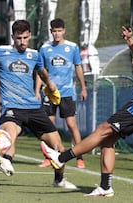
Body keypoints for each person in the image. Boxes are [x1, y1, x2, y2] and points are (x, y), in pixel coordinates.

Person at [40, 12, 133, 196]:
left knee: (101, 130)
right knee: (107, 140)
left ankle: (61, 158)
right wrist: (130, 42)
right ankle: (105, 187)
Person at [0, 19, 77, 189]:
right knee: (9, 136)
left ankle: (59, 180)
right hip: (12, 107)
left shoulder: (34, 55)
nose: (22, 42)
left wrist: (50, 86)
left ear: (29, 35)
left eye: (24, 38)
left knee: (58, 147)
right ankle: (6, 160)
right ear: (12, 37)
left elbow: (42, 72)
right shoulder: (1, 52)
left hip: (33, 108)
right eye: (18, 38)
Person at [35, 18, 87, 169]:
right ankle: (48, 157)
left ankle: (79, 157)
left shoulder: (72, 47)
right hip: (49, 93)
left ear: (63, 31)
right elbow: (41, 71)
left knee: (71, 125)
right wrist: (37, 90)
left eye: (59, 31)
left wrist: (83, 88)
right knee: (48, 126)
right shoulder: (44, 48)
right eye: (54, 31)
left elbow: (78, 67)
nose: (57, 34)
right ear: (51, 32)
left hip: (67, 93)